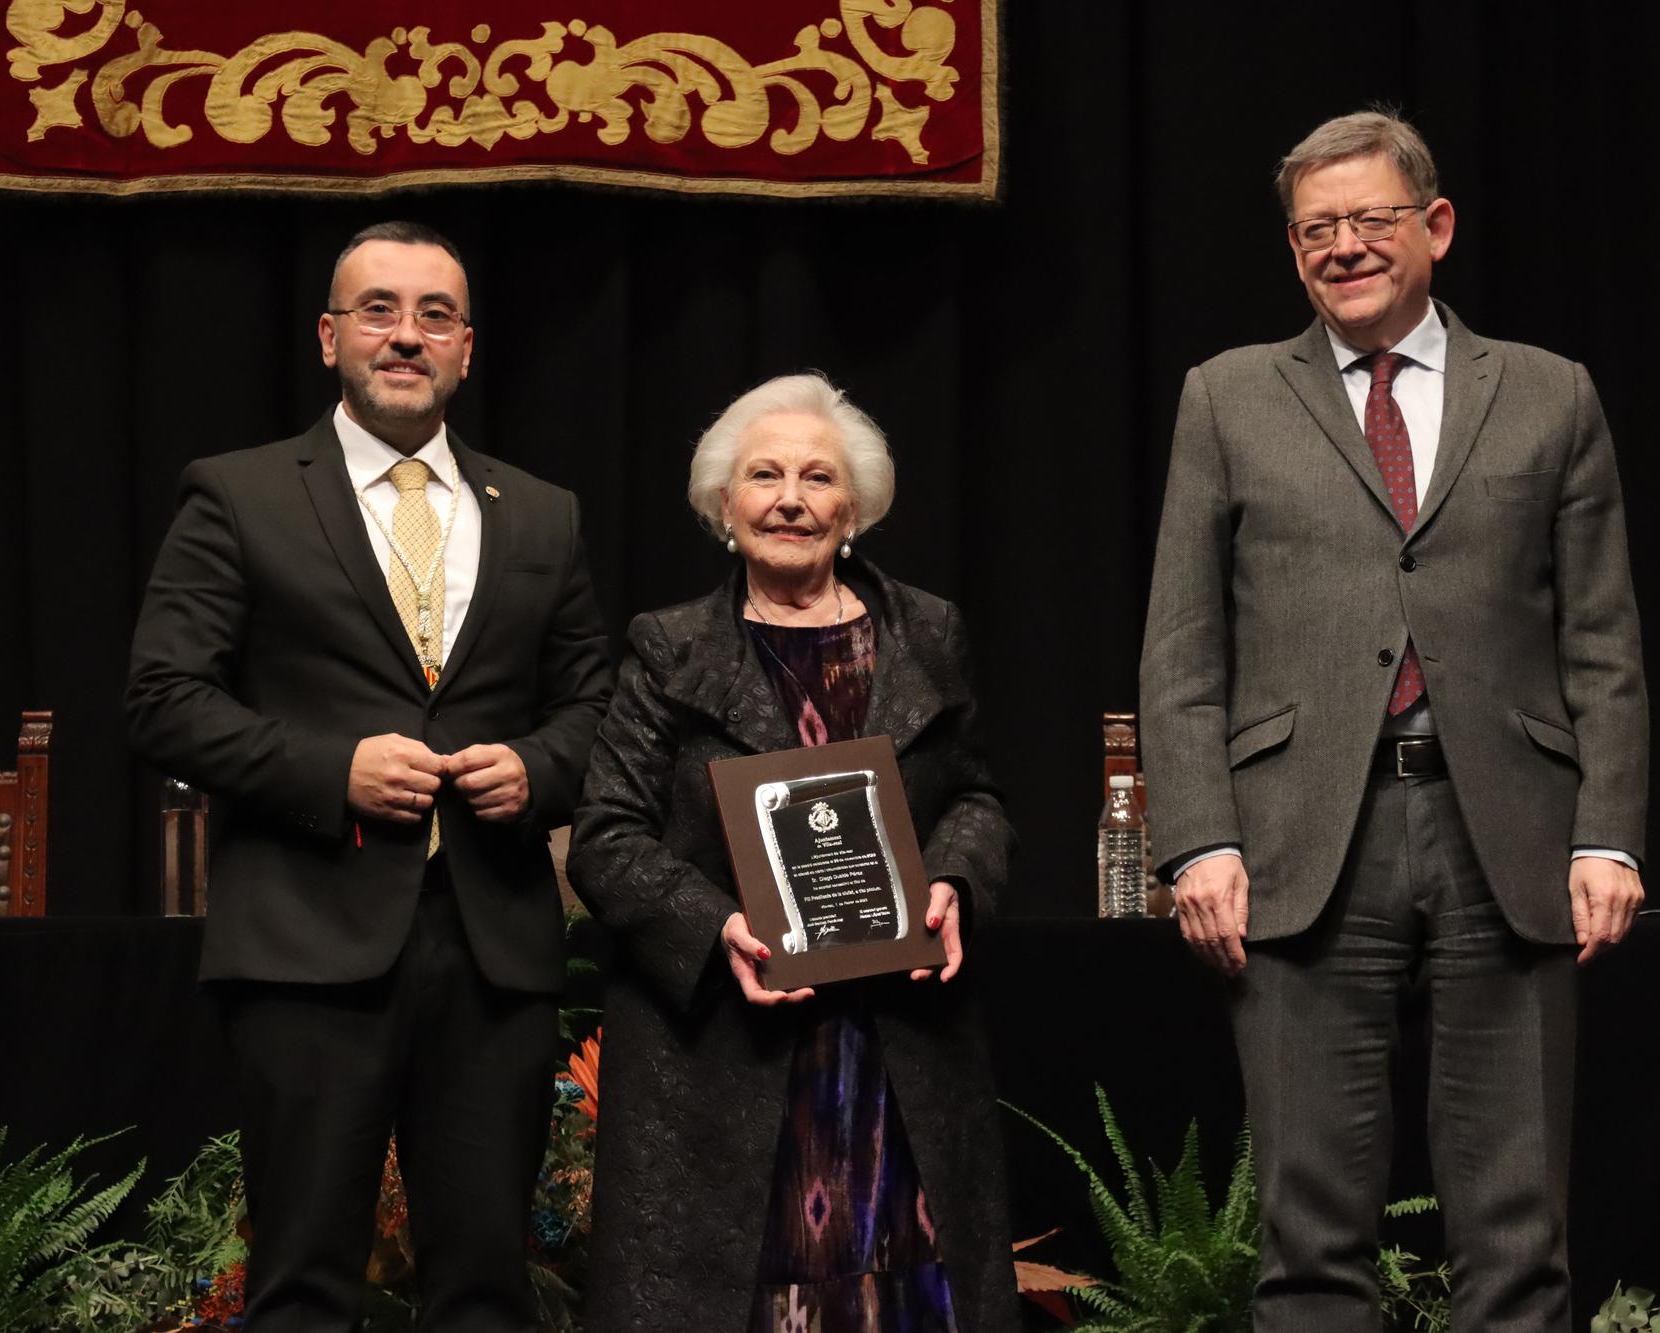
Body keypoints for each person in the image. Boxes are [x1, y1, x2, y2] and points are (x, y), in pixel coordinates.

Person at [1139, 110, 1649, 1331]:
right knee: (1309, 1244)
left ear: (1434, 226)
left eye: (1369, 219)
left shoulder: (1546, 393)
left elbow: (1601, 639)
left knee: (1515, 1242)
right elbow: (1180, 646)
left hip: (1511, 840)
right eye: (1316, 229)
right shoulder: (1224, 397)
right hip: (1299, 842)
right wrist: (1197, 839)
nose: (1343, 246)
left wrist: (1607, 834)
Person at [125, 220, 613, 1332]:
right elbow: (161, 699)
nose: (407, 335)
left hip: (492, 948)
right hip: (305, 941)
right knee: (301, 1281)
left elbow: (601, 709)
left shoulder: (540, 512)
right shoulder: (239, 494)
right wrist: (330, 767)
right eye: (379, 310)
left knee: (489, 1285)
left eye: (434, 314)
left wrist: (536, 767)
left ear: (468, 348)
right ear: (329, 335)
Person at [567, 373, 1018, 1332]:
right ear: (723, 505)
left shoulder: (930, 634)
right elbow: (606, 837)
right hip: (727, 1047)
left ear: (854, 507)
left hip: (899, 1043)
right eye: (763, 475)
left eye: (817, 477)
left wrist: (953, 880)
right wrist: (717, 925)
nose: (790, 498)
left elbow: (977, 795)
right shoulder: (669, 647)